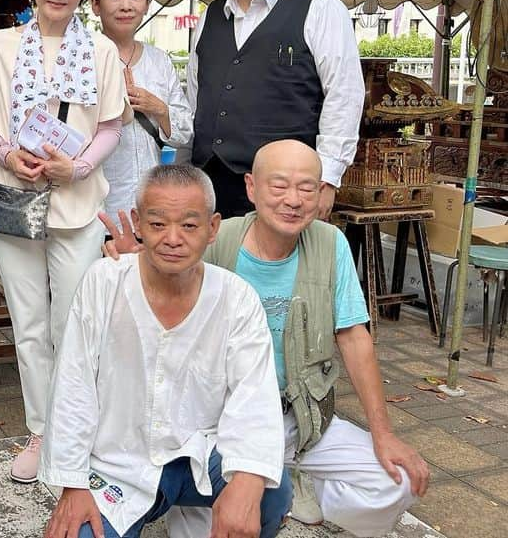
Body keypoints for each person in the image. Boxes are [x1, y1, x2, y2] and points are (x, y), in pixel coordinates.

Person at [105, 140, 429, 538]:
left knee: (396, 480)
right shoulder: (212, 237)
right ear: (251, 188)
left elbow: (354, 337)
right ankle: (238, 493)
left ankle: (297, 488)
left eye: (306, 187)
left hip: (302, 418)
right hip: (219, 426)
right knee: (221, 525)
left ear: (322, 192)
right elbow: (159, 278)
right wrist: (137, 260)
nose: (293, 200)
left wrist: (384, 434)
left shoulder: (331, 244)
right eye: (278, 186)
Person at [40, 164, 290, 538]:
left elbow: (254, 398)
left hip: (201, 455)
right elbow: (73, 387)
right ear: (138, 223)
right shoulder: (103, 283)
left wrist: (248, 484)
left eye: (189, 225)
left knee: (269, 489)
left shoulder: (237, 299)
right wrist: (73, 484)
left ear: (213, 228)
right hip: (117, 463)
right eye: (158, 224)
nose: (173, 238)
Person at [0, 0, 131, 483]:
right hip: (15, 197)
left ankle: (73, 430)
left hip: (78, 202)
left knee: (73, 322)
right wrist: (6, 153)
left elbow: (110, 125)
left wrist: (79, 166)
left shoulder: (102, 50)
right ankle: (41, 431)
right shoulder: (3, 46)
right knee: (29, 322)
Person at [186, 0, 363, 220]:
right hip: (210, 183)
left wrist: (327, 178)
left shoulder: (319, 8)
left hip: (285, 190)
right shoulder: (210, 16)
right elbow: (195, 98)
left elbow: (345, 95)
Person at [91, 0, 192, 217]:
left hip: (151, 207)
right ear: (95, 4)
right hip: (96, 207)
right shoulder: (81, 60)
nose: (126, 6)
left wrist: (158, 108)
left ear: (146, 4)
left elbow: (185, 133)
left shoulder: (159, 61)